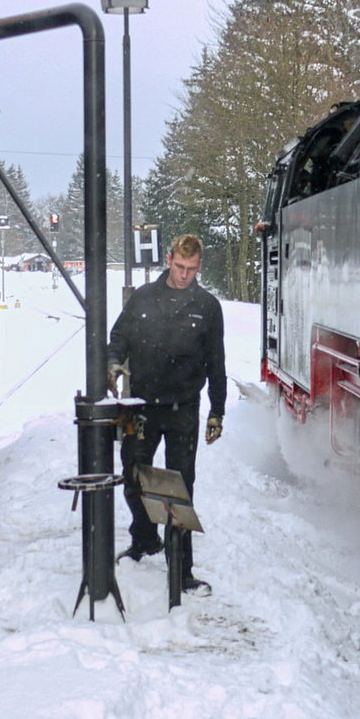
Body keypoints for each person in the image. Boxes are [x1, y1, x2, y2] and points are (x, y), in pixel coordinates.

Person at [106, 233, 225, 592]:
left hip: (183, 409)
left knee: (180, 488)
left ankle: (182, 569)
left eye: (191, 269)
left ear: (199, 266)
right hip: (142, 407)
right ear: (169, 259)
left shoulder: (207, 307)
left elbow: (216, 362)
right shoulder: (143, 299)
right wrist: (113, 365)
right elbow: (118, 339)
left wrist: (217, 410)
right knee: (133, 476)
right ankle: (144, 537)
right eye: (179, 266)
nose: (184, 275)